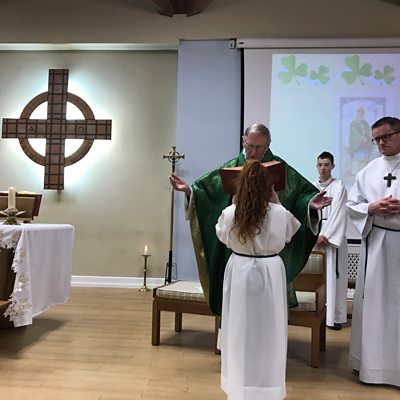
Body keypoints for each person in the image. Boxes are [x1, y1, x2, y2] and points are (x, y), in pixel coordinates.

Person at [170, 123, 331, 315]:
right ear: (243, 142)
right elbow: (207, 193)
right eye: (250, 146)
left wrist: (308, 204)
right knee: (237, 311)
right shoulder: (231, 167)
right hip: (239, 251)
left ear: (268, 145)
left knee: (267, 313)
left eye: (259, 147)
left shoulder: (281, 169)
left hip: (269, 251)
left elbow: (302, 194)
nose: (253, 152)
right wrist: (190, 192)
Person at [215, 160, 300, 400]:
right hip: (270, 271)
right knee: (269, 331)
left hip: (240, 271)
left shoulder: (230, 213)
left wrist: (235, 204)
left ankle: (239, 387)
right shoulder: (280, 213)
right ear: (268, 185)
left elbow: (222, 236)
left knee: (240, 329)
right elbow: (289, 233)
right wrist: (276, 201)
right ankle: (268, 388)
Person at [347, 116, 400, 387]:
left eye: (385, 137)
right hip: (378, 244)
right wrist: (371, 208)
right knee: (376, 306)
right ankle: (373, 366)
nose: (380, 143)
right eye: (376, 139)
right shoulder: (368, 170)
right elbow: (352, 204)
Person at [313, 151, 348, 330]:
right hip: (315, 236)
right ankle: (316, 314)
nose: (323, 169)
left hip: (331, 237)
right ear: (316, 166)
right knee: (316, 277)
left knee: (334, 276)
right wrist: (315, 235)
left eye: (327, 165)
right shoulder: (311, 187)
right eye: (320, 165)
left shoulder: (339, 186)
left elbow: (339, 212)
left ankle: (334, 317)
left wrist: (325, 234)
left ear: (333, 166)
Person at [348, 107, 372, 174]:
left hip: (365, 144)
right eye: (359, 113)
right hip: (357, 145)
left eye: (361, 113)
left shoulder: (365, 123)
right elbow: (354, 133)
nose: (360, 114)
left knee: (364, 160)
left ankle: (363, 173)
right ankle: (355, 173)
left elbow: (368, 131)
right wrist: (361, 138)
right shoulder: (353, 123)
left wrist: (367, 137)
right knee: (357, 160)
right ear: (357, 113)